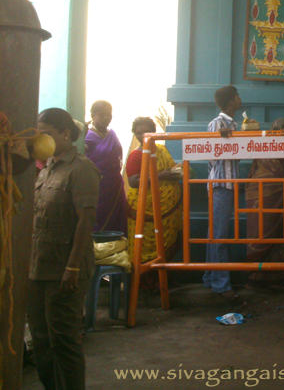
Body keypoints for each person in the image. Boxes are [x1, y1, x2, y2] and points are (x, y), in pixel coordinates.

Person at [29, 108, 100, 390]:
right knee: (41, 338)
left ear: (66, 134)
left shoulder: (81, 169)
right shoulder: (46, 168)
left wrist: (72, 267)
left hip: (65, 268)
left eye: (46, 133)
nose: (40, 139)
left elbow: (86, 220)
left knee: (64, 340)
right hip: (38, 266)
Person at [124, 117, 183, 273]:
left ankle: (162, 282)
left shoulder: (161, 150)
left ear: (154, 132)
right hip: (145, 208)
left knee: (168, 243)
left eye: (146, 132)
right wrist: (161, 176)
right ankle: (144, 284)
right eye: (138, 133)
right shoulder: (136, 156)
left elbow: (170, 170)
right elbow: (133, 181)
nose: (143, 136)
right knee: (145, 246)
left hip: (168, 211)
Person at [203, 85, 243, 305]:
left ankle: (211, 277)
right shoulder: (218, 124)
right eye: (237, 97)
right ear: (230, 102)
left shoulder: (231, 124)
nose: (240, 99)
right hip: (221, 184)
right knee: (219, 235)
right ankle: (221, 285)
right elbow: (212, 154)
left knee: (214, 233)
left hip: (226, 184)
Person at [245, 118, 284, 289]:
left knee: (273, 233)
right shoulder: (266, 146)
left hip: (266, 196)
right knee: (262, 233)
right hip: (264, 196)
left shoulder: (270, 147)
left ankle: (271, 277)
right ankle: (257, 277)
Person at [85, 100, 126, 234]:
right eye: (101, 114)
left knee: (115, 221)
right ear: (92, 115)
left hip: (114, 185)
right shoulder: (86, 137)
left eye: (109, 114)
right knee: (97, 219)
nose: (106, 118)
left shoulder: (112, 135)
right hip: (96, 186)